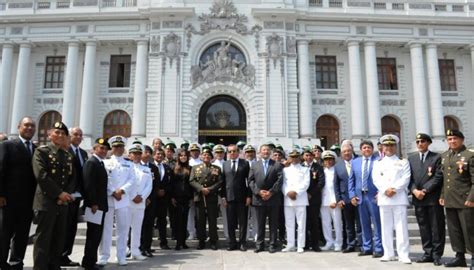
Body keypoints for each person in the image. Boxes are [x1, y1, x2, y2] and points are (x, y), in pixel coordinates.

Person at [32, 122, 75, 270]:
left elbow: (71, 178)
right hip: (46, 201)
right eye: (57, 132)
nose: (60, 135)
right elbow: (41, 176)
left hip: (62, 202)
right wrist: (59, 193)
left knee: (58, 237)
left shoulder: (67, 155)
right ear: (49, 134)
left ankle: (54, 266)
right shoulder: (41, 151)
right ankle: (40, 267)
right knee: (43, 238)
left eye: (63, 133)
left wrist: (66, 194)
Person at [0, 117, 37, 270]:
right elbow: (0, 170)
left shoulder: (36, 149)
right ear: (19, 127)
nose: (29, 128)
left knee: (22, 234)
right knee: (4, 233)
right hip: (8, 199)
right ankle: (1, 262)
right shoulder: (7, 145)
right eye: (26, 125)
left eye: (32, 126)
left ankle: (17, 262)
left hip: (28, 201)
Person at [372, 134, 411, 264]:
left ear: (395, 146)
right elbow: (376, 179)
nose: (389, 147)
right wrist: (385, 190)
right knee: (385, 227)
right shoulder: (378, 163)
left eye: (391, 145)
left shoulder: (403, 161)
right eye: (386, 145)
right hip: (384, 198)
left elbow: (406, 178)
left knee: (401, 227)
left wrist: (394, 189)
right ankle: (388, 253)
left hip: (399, 197)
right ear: (382, 147)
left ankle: (403, 254)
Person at [438, 129, 473, 268]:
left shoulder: (469, 156)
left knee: (469, 230)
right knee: (454, 230)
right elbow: (446, 180)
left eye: (455, 138)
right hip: (450, 199)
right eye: (449, 139)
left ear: (462, 140)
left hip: (466, 201)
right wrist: (442, 195)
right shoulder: (445, 156)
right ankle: (459, 256)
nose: (452, 141)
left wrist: (472, 198)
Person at [408, 133, 444, 266]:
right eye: (417, 142)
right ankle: (427, 253)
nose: (419, 144)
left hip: (432, 198)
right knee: (423, 227)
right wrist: (414, 190)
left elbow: (438, 176)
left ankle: (437, 254)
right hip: (418, 199)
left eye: (422, 141)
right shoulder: (411, 159)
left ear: (428, 143)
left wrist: (424, 190)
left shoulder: (436, 157)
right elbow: (409, 178)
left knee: (436, 227)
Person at [99, 136, 136, 266]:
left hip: (123, 200)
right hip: (109, 199)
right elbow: (105, 180)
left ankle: (121, 256)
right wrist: (113, 192)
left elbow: (132, 180)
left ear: (123, 148)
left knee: (123, 229)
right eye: (115, 146)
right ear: (112, 148)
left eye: (120, 146)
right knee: (106, 229)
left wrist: (122, 191)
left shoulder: (129, 163)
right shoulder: (105, 162)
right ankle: (104, 255)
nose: (118, 149)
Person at [348, 140, 383, 258]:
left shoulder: (378, 160)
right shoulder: (355, 162)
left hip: (373, 196)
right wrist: (352, 195)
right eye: (364, 148)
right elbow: (351, 180)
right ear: (361, 150)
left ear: (372, 149)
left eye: (369, 147)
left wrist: (380, 193)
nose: (366, 149)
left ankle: (378, 248)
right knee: (364, 223)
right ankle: (367, 247)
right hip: (360, 197)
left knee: (377, 223)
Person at [81, 138, 110, 270]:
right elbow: (88, 185)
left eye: (105, 149)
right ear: (95, 149)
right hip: (94, 206)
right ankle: (88, 262)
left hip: (99, 205)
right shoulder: (91, 163)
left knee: (96, 234)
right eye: (101, 148)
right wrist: (92, 203)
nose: (104, 151)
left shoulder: (100, 163)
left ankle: (91, 260)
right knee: (93, 235)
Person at [60, 127, 88, 267]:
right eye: (75, 134)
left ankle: (65, 255)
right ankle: (57, 255)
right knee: (62, 227)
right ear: (69, 136)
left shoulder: (83, 153)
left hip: (77, 197)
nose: (78, 137)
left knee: (71, 227)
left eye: (80, 135)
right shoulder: (65, 150)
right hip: (66, 196)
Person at [249, 144, 283, 253]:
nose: (266, 152)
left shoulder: (277, 165)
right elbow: (251, 181)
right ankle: (259, 245)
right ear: (260, 152)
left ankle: (272, 244)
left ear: (270, 152)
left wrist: (271, 192)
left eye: (268, 150)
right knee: (260, 224)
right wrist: (259, 192)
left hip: (273, 199)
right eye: (263, 150)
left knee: (273, 224)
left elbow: (280, 180)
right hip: (259, 199)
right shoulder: (254, 165)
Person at [189, 148, 223, 250]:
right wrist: (201, 189)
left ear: (211, 157)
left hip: (211, 196)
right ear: (201, 157)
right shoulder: (195, 168)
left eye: (208, 155)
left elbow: (220, 182)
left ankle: (213, 241)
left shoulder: (216, 168)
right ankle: (201, 241)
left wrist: (209, 189)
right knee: (200, 221)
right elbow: (191, 181)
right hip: (199, 197)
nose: (206, 157)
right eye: (204, 155)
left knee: (212, 220)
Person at [220, 144, 251, 251]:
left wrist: (248, 196)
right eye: (230, 152)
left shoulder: (245, 163)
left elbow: (249, 181)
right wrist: (223, 196)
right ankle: (232, 243)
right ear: (227, 153)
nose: (232, 153)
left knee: (243, 222)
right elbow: (223, 182)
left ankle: (242, 242)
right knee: (230, 222)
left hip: (242, 198)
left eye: (234, 151)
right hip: (229, 198)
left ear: (238, 152)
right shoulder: (225, 164)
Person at [281, 149, 310, 253]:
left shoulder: (305, 169)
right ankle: (290, 244)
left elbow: (306, 183)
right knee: (289, 223)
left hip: (300, 199)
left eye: (296, 157)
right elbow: (283, 184)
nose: (294, 159)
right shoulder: (285, 170)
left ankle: (300, 245)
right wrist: (288, 192)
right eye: (292, 157)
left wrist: (296, 192)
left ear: (299, 158)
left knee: (301, 223)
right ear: (289, 158)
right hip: (288, 200)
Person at [334, 143, 361, 253]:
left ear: (352, 151)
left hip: (359, 198)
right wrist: (338, 199)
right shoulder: (338, 166)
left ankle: (361, 244)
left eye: (348, 151)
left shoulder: (358, 162)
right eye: (344, 151)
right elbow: (336, 184)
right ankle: (350, 244)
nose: (347, 153)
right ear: (341, 153)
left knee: (360, 223)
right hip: (345, 199)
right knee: (348, 224)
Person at [128, 143, 152, 261]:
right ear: (130, 155)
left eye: (139, 154)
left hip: (140, 203)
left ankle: (135, 251)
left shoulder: (146, 169)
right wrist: (133, 196)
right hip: (127, 202)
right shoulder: (125, 167)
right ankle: (122, 252)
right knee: (124, 229)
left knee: (137, 228)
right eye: (134, 154)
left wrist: (141, 197)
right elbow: (124, 183)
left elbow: (149, 186)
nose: (137, 156)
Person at [302, 148, 325, 252]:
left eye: (310, 155)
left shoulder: (318, 167)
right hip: (302, 198)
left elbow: (321, 182)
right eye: (306, 155)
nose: (308, 157)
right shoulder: (300, 167)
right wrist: (304, 193)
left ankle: (315, 244)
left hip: (314, 199)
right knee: (303, 222)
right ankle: (305, 244)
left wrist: (311, 193)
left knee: (314, 221)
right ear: (303, 156)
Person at [320, 150, 343, 252]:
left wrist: (335, 200)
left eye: (330, 159)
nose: (328, 161)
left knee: (337, 223)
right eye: (326, 159)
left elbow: (337, 187)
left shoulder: (336, 171)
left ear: (334, 160)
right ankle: (329, 241)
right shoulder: (322, 171)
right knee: (326, 223)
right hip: (324, 201)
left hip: (334, 202)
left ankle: (338, 243)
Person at [170, 150, 193, 250]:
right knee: (178, 221)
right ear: (178, 157)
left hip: (186, 197)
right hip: (176, 197)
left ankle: (183, 242)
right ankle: (178, 243)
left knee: (185, 220)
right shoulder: (174, 168)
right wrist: (172, 197)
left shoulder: (190, 168)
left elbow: (192, 184)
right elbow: (171, 184)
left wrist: (192, 197)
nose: (183, 157)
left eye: (185, 156)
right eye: (181, 156)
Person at [140, 145, 159, 257]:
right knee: (137, 225)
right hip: (137, 200)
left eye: (149, 152)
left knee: (148, 225)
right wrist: (142, 198)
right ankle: (135, 247)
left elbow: (155, 186)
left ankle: (147, 247)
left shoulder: (153, 168)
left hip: (150, 202)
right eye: (145, 152)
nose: (147, 154)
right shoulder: (135, 166)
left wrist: (149, 198)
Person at [153, 147, 173, 250]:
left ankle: (163, 242)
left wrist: (164, 190)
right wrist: (156, 191)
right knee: (149, 221)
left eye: (161, 154)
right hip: (152, 198)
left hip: (163, 198)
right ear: (154, 155)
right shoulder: (150, 167)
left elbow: (170, 183)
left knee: (162, 221)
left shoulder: (167, 168)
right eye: (157, 154)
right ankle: (146, 243)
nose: (159, 156)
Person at [212, 144, 228, 240]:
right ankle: (213, 235)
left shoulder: (227, 163)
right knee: (212, 215)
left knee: (226, 215)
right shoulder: (212, 164)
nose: (219, 154)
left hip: (225, 193)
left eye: (221, 152)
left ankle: (227, 234)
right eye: (217, 152)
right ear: (214, 154)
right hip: (214, 193)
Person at [187, 143, 202, 240]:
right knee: (190, 214)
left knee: (200, 214)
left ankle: (200, 232)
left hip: (200, 191)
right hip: (189, 191)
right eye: (193, 151)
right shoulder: (188, 163)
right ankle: (191, 232)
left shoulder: (202, 162)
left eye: (197, 151)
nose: (195, 153)